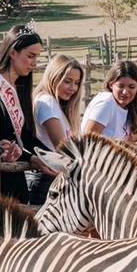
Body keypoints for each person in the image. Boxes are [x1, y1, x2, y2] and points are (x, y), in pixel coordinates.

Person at [0, 26, 49, 203]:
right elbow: (0, 136)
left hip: (16, 173)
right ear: (12, 52)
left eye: (36, 57)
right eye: (30, 56)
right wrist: (31, 157)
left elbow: (24, 134)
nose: (34, 63)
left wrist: (51, 155)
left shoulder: (20, 89)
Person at [28, 54, 83, 204]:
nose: (73, 88)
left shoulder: (57, 106)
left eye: (77, 83)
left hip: (54, 176)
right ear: (54, 76)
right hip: (46, 177)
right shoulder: (47, 102)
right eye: (67, 81)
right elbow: (62, 146)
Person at [82, 60, 137, 140]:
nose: (125, 92)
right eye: (120, 86)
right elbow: (88, 139)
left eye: (131, 87)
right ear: (111, 84)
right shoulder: (106, 103)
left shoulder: (128, 107)